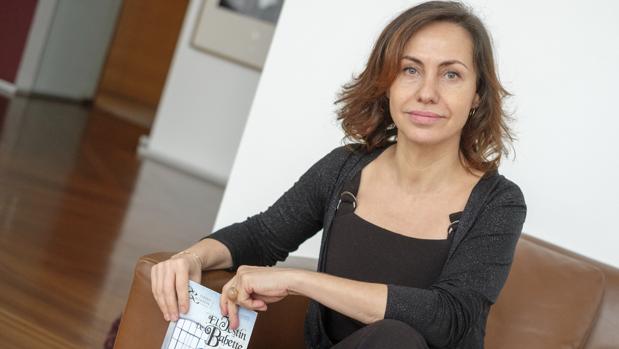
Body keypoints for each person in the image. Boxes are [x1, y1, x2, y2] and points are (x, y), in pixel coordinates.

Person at [150, 1, 527, 348]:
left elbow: (448, 317)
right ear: (387, 83)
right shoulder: (345, 168)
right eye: (410, 70)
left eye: (451, 75)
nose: (427, 92)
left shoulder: (498, 203)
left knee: (395, 339)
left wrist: (299, 280)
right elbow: (263, 235)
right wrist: (193, 257)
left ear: (478, 94)